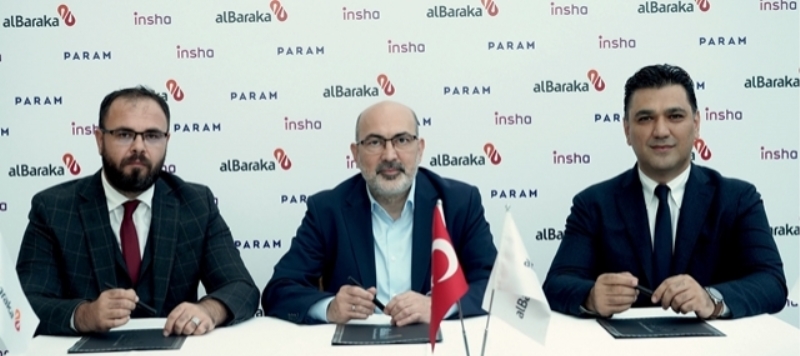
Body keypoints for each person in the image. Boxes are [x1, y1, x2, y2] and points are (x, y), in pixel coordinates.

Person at [543, 64, 787, 319]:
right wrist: (591, 296)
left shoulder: (738, 199)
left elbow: (771, 283)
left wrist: (711, 299)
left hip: (715, 344)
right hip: (621, 344)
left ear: (696, 124)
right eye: (645, 118)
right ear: (627, 130)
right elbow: (556, 284)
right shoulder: (593, 204)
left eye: (675, 116)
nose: (660, 131)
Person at [16, 86, 259, 336]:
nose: (139, 147)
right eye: (124, 134)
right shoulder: (53, 208)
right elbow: (24, 305)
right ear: (100, 140)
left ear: (166, 141)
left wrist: (208, 310)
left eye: (152, 136)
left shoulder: (196, 204)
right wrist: (83, 315)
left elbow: (241, 288)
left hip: (174, 354)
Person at [263, 100, 496, 325]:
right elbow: (279, 290)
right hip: (356, 345)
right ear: (356, 154)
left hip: (436, 342)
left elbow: (495, 285)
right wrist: (330, 308)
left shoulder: (459, 203)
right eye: (375, 142)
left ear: (420, 149)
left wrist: (440, 305)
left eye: (402, 140)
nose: (390, 155)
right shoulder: (327, 210)